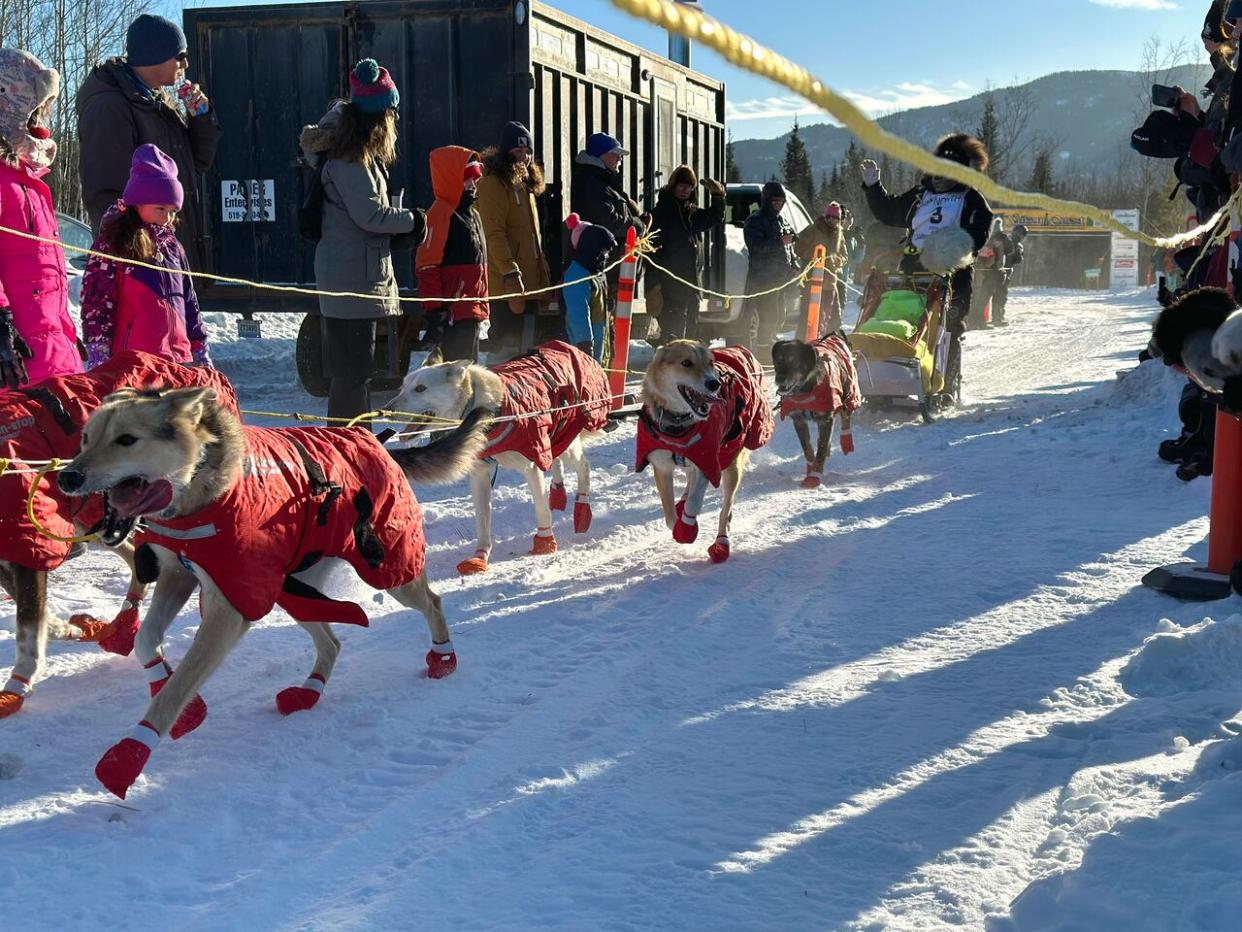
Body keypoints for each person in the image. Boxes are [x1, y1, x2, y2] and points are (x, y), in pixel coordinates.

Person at [300, 59, 424, 420]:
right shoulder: (351, 159)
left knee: (355, 375)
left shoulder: (353, 155)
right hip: (352, 280)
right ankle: (346, 451)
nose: (395, 121)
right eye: (391, 113)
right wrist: (415, 220)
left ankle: (355, 448)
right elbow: (370, 215)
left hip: (353, 275)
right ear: (378, 117)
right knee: (351, 377)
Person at [76, 13, 221, 272]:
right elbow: (108, 195)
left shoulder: (155, 101)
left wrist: (200, 117)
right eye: (179, 55)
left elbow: (198, 162)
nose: (185, 64)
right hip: (144, 262)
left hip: (170, 252)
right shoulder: (109, 105)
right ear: (154, 55)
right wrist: (141, 260)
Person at [860, 133, 994, 403]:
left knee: (949, 327)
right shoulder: (921, 195)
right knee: (901, 318)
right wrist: (873, 186)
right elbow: (891, 212)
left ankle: (943, 386)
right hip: (913, 266)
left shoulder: (971, 198)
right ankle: (888, 381)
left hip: (953, 271)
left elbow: (979, 230)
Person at [80, 145, 210, 370]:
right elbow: (97, 303)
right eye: (160, 209)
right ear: (137, 202)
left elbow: (189, 302)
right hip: (135, 364)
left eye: (172, 211)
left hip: (178, 360)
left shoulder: (174, 248)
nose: (167, 218)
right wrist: (98, 353)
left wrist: (199, 350)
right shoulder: (114, 243)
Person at [0, 47, 81, 390]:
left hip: (50, 351)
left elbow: (49, 275)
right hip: (14, 358)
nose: (41, 123)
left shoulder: (30, 181)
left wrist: (68, 333)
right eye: (37, 111)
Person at [476, 121, 550, 361]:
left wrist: (542, 275)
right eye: (518, 150)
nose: (524, 156)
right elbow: (493, 234)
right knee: (505, 348)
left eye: (528, 151)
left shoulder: (525, 187)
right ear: (505, 151)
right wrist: (509, 271)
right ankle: (498, 395)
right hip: (507, 282)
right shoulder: (493, 184)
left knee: (525, 350)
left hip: (527, 283)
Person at [570, 132, 648, 359]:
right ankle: (603, 378)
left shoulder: (602, 182)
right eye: (615, 155)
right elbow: (610, 222)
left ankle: (607, 375)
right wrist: (638, 224)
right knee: (600, 327)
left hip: (606, 266)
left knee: (606, 325)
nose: (619, 160)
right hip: (601, 266)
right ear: (600, 156)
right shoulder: (594, 184)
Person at [417, 146, 488, 363]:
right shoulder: (440, 214)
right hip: (453, 314)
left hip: (472, 309)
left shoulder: (472, 213)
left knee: (468, 377)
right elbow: (426, 266)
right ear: (454, 178)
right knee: (455, 381)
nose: (473, 184)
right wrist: (435, 311)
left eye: (476, 179)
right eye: (469, 179)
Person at [647, 164, 725, 342]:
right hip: (669, 286)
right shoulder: (660, 214)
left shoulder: (691, 213)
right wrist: (652, 286)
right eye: (681, 186)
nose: (685, 190)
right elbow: (650, 253)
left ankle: (685, 367)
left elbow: (715, 217)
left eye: (689, 187)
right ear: (673, 186)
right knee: (674, 334)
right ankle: (671, 368)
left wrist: (718, 196)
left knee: (690, 334)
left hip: (691, 285)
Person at [744, 180, 799, 352]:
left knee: (779, 316)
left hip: (780, 279)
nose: (778, 205)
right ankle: (763, 349)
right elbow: (756, 247)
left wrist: (794, 264)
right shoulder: (755, 220)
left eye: (781, 201)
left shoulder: (781, 220)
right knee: (768, 316)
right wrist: (779, 242)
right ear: (766, 200)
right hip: (763, 279)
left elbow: (789, 245)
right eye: (774, 201)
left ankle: (769, 345)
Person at [561, 214, 616, 358]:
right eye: (603, 252)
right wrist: (585, 343)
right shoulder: (576, 275)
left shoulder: (595, 272)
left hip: (597, 350)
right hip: (583, 350)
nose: (606, 256)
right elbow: (578, 313)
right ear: (591, 247)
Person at [795, 201, 849, 334]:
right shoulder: (812, 230)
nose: (833, 221)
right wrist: (815, 256)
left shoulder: (839, 234)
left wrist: (837, 261)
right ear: (826, 217)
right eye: (830, 217)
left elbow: (844, 255)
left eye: (836, 219)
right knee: (809, 317)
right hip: (811, 281)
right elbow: (798, 248)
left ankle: (832, 342)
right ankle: (803, 343)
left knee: (833, 317)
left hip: (830, 282)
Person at [968, 217, 1007, 330]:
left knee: (976, 299)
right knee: (979, 299)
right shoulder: (987, 241)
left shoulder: (977, 239)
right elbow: (990, 260)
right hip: (980, 275)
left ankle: (975, 322)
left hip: (976, 274)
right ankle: (977, 322)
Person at [992, 222, 1027, 326]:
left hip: (1006, 271)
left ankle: (998, 316)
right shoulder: (1008, 241)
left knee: (1001, 295)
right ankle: (997, 318)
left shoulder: (1017, 245)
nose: (1021, 236)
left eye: (1022, 234)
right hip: (1001, 271)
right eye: (1021, 233)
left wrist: (1018, 254)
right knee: (999, 295)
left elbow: (1017, 260)